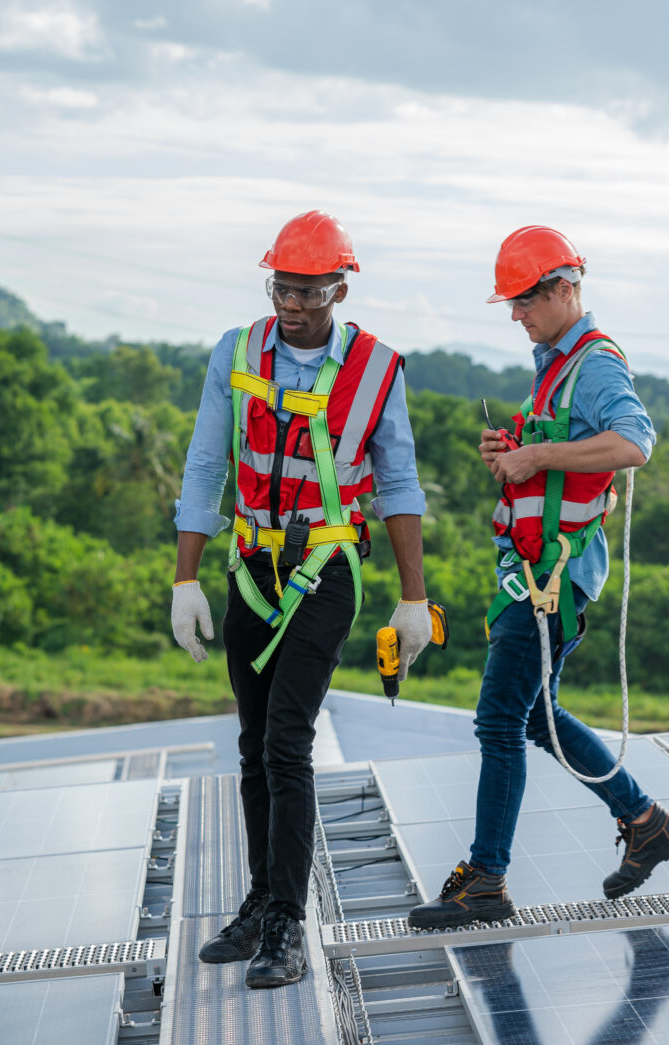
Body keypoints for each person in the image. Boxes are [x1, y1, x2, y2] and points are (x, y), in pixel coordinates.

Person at [171, 210, 433, 986]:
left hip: (324, 571)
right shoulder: (238, 351)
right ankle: (261, 898)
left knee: (289, 740)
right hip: (251, 565)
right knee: (253, 745)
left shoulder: (377, 368)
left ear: (339, 288)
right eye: (281, 286)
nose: (290, 303)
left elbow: (397, 483)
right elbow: (203, 463)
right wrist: (186, 575)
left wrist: (412, 595)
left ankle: (289, 920)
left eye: (308, 291)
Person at [409, 226, 669, 929]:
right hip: (534, 572)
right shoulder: (554, 363)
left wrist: (537, 460)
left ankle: (487, 879)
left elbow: (635, 442)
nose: (516, 314)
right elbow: (564, 457)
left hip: (552, 579)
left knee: (500, 718)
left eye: (525, 299)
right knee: (533, 714)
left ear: (566, 288)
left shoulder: (593, 363)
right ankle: (645, 820)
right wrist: (515, 451)